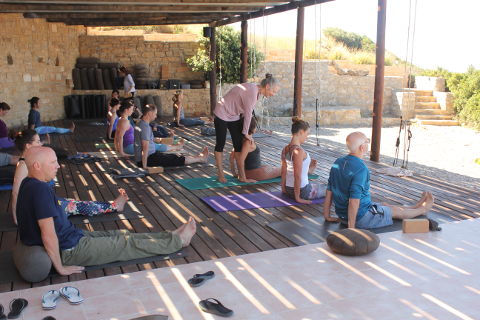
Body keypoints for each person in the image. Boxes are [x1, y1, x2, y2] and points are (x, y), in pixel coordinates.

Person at [16, 146, 196, 272]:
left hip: (73, 238)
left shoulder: (29, 183)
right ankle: (178, 242)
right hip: (70, 250)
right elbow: (47, 234)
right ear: (37, 166)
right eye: (53, 162)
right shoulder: (39, 189)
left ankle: (171, 236)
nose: (58, 165)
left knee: (121, 235)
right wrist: (60, 268)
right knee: (125, 244)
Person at [11, 130, 128, 225]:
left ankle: (112, 205)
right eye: (37, 141)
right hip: (41, 209)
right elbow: (15, 193)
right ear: (28, 146)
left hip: (44, 203)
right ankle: (115, 206)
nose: (41, 143)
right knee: (80, 206)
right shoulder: (23, 165)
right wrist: (17, 216)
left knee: (72, 202)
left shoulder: (27, 162)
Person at [323, 131, 435, 228]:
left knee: (385, 205)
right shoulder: (361, 169)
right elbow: (354, 201)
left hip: (344, 215)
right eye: (367, 141)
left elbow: (329, 191)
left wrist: (327, 216)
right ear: (362, 148)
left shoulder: (337, 162)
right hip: (360, 218)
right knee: (395, 211)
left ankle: (414, 207)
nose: (368, 144)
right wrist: (351, 228)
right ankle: (423, 210)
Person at [214, 73, 280, 183]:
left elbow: (246, 112)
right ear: (267, 86)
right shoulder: (253, 91)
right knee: (220, 143)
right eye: (274, 91)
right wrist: (246, 133)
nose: (274, 94)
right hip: (222, 112)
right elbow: (248, 114)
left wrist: (245, 133)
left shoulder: (257, 93)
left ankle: (242, 177)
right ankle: (220, 173)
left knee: (238, 146)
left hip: (233, 115)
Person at [134, 104, 208, 169]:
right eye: (155, 114)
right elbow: (145, 147)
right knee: (177, 159)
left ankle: (199, 157)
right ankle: (201, 159)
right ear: (149, 113)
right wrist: (144, 165)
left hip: (150, 156)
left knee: (173, 156)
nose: (156, 116)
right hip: (148, 159)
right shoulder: (145, 127)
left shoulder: (141, 123)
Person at [281, 118, 321, 204]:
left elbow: (284, 171)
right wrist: (298, 198)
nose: (307, 137)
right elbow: (297, 175)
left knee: (318, 185)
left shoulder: (285, 149)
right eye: (307, 134)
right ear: (301, 132)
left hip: (289, 189)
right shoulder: (299, 152)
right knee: (331, 188)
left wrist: (284, 189)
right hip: (302, 191)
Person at [229, 117, 280, 182]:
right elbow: (240, 161)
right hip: (254, 173)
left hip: (251, 172)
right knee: (284, 169)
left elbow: (231, 158)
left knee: (271, 167)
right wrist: (243, 179)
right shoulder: (247, 142)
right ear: (252, 127)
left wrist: (234, 173)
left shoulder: (240, 140)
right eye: (255, 126)